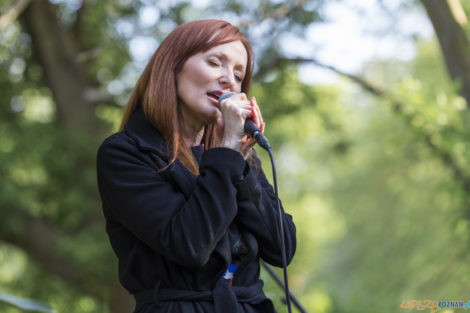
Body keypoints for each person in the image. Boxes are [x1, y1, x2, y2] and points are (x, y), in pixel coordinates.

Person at [96, 19, 296, 313]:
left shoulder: (237, 154)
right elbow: (190, 244)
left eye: (238, 74)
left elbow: (282, 247)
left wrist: (239, 163)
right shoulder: (125, 153)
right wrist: (227, 154)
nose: (229, 79)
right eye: (216, 63)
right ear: (173, 67)